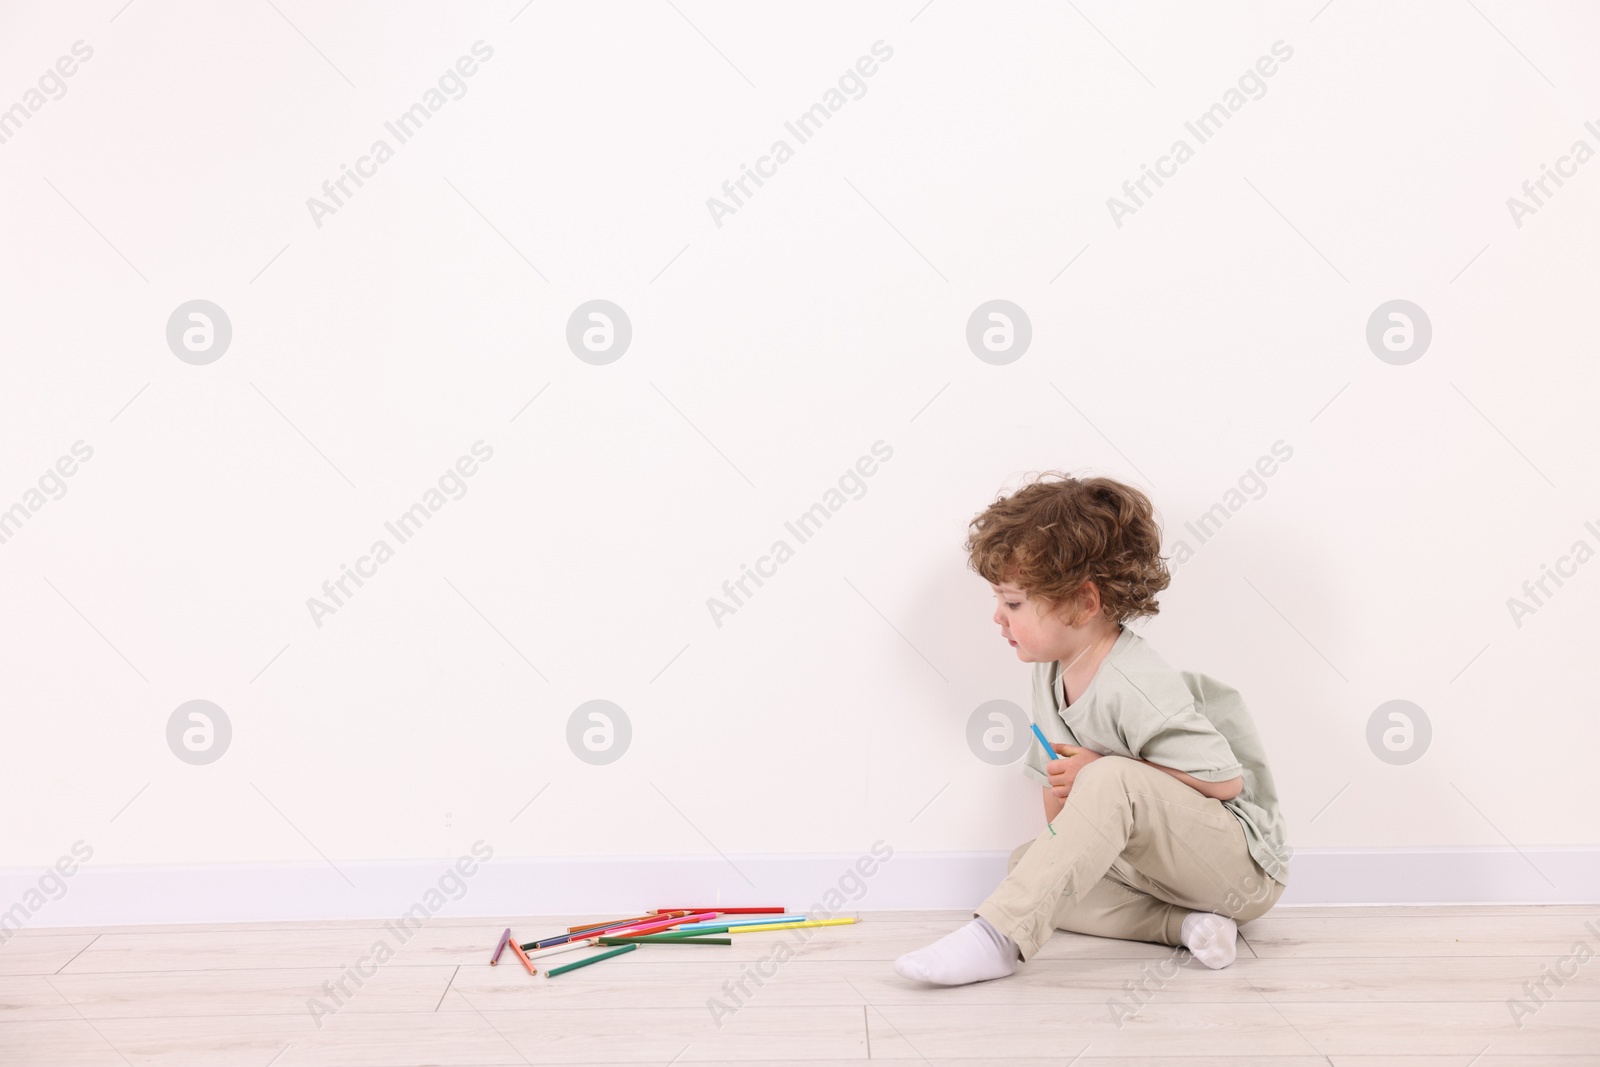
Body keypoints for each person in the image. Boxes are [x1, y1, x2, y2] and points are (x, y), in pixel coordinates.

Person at [894, 473, 1291, 986]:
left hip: (1239, 869)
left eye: (1013, 603)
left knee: (1107, 782)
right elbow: (1060, 796)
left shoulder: (1135, 682)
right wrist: (1060, 840)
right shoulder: (1049, 670)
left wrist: (1103, 771)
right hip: (1160, 875)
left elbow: (1224, 784)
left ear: (1083, 603)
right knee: (1026, 865)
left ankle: (998, 938)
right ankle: (1188, 926)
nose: (997, 617)